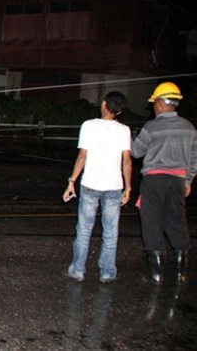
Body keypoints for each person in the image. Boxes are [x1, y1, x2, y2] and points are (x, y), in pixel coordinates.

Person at [131, 82, 197, 285]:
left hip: (154, 181)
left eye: (154, 103)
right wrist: (188, 180)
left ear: (160, 103)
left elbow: (136, 152)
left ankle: (156, 274)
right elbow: (194, 159)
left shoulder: (152, 126)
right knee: (177, 222)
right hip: (177, 181)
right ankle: (180, 272)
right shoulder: (190, 128)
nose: (153, 107)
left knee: (152, 222)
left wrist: (132, 137)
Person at [63, 91, 132, 283]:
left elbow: (82, 156)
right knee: (111, 231)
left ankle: (77, 270)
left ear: (103, 104)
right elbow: (127, 161)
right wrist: (128, 188)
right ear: (119, 111)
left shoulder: (89, 126)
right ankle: (107, 272)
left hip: (90, 184)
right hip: (114, 186)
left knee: (84, 229)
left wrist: (71, 182)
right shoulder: (124, 130)